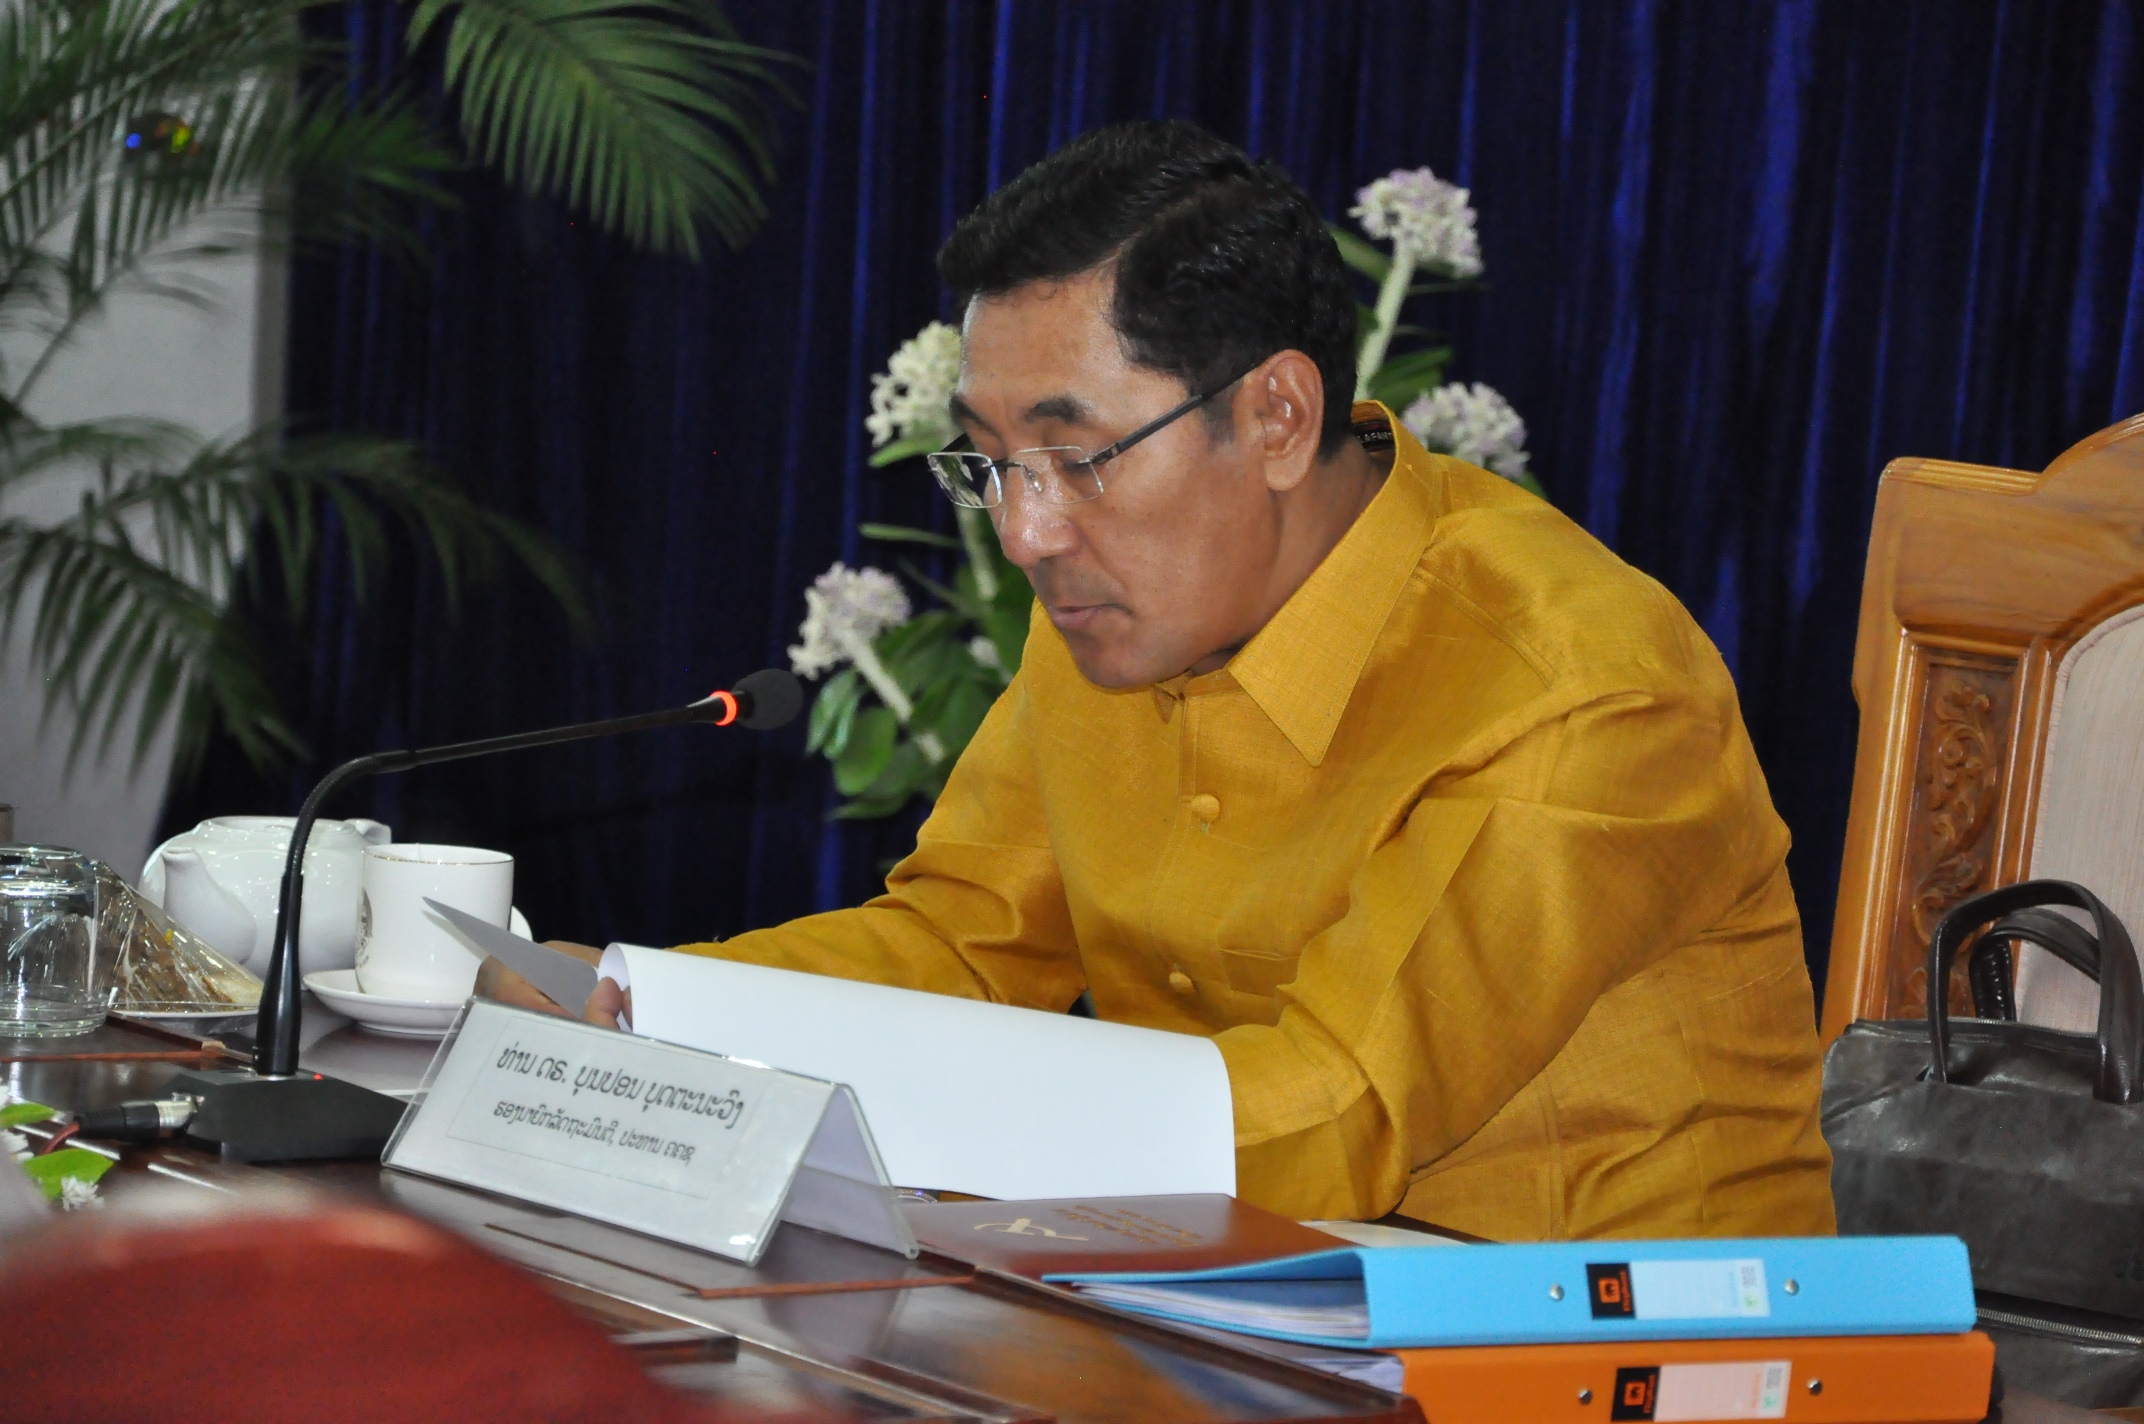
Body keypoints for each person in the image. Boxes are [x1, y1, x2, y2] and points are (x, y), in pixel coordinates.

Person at [482, 120, 1834, 1241]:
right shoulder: (1107, 615)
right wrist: (647, 1014)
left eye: (1077, 459)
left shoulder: (1576, 686)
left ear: (1279, 417)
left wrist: (875, 1105)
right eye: (991, 464)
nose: (1026, 534)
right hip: (1238, 1301)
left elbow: (1335, 1109)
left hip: (1596, 1346)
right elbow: (965, 946)